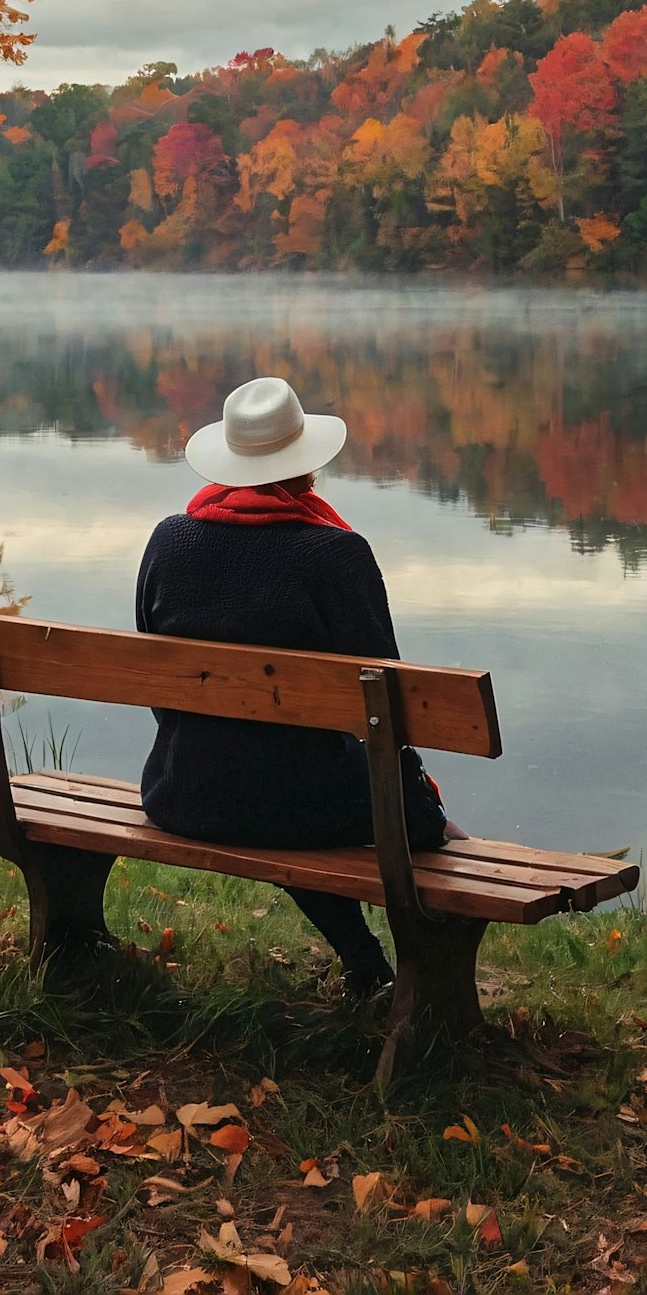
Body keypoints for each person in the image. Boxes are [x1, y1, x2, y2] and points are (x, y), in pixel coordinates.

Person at [137, 374, 459, 994]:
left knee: (279, 779)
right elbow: (386, 706)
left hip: (183, 793)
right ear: (306, 465)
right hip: (300, 804)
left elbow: (157, 683)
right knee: (405, 814)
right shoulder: (335, 554)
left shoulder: (169, 541)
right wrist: (418, 794)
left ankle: (368, 965)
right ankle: (415, 978)